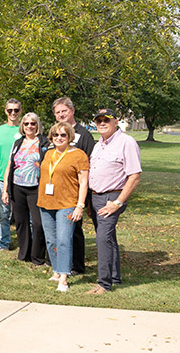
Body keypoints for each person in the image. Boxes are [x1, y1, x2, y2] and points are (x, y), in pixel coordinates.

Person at [87, 107, 142, 294]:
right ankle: (114, 277)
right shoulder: (98, 144)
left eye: (106, 120)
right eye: (99, 120)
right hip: (96, 197)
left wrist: (118, 202)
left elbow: (134, 176)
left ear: (115, 121)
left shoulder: (126, 142)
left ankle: (104, 284)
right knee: (108, 239)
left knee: (102, 239)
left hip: (112, 197)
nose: (102, 123)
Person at [39, 122, 90, 292]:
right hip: (46, 203)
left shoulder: (79, 155)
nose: (59, 138)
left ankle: (64, 277)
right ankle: (56, 270)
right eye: (55, 135)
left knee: (63, 240)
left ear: (69, 137)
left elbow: (84, 182)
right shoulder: (48, 154)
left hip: (67, 204)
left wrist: (80, 206)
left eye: (63, 135)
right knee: (51, 240)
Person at [53, 96, 96, 275]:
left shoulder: (83, 135)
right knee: (58, 231)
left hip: (75, 193)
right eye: (57, 112)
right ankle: (60, 264)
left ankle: (77, 266)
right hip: (56, 193)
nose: (61, 115)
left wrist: (85, 199)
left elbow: (90, 166)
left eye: (64, 111)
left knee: (75, 230)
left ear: (72, 111)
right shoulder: (56, 133)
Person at [2, 112, 49, 267]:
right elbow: (10, 165)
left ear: (38, 125)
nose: (30, 126)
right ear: (22, 126)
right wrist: (5, 190)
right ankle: (24, 254)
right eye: (27, 124)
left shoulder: (44, 143)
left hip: (36, 188)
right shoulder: (18, 143)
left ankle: (38, 257)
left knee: (38, 223)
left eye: (33, 123)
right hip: (18, 187)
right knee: (21, 222)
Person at [0, 99, 22, 252]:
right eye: (10, 110)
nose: (13, 113)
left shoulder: (25, 129)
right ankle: (4, 243)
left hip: (22, 179)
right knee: (3, 214)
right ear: (5, 111)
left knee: (24, 215)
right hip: (2, 178)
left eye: (16, 110)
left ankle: (26, 242)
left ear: (20, 111)